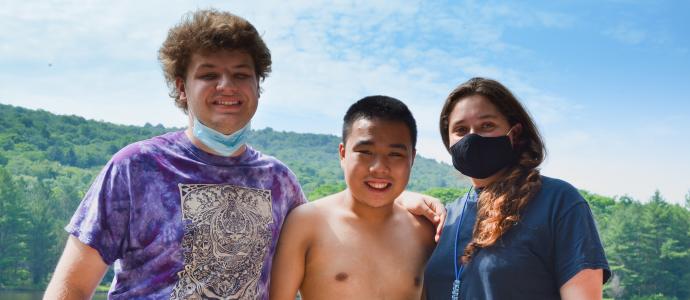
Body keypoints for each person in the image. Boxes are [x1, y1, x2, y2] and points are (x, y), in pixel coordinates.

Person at [43, 9, 445, 300]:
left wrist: (399, 196)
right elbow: (73, 286)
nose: (226, 85)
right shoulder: (136, 167)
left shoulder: (278, 180)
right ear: (182, 88)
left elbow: (345, 221)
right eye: (208, 74)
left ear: (257, 86)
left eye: (240, 74)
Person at [424, 77, 610, 300]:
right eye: (461, 130)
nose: (472, 137)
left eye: (487, 125)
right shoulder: (447, 218)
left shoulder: (558, 202)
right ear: (449, 142)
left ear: (514, 133)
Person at [270, 96, 436, 299]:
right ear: (343, 154)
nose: (379, 168)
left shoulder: (425, 231)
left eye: (395, 154)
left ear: (412, 159)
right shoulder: (306, 222)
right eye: (365, 152)